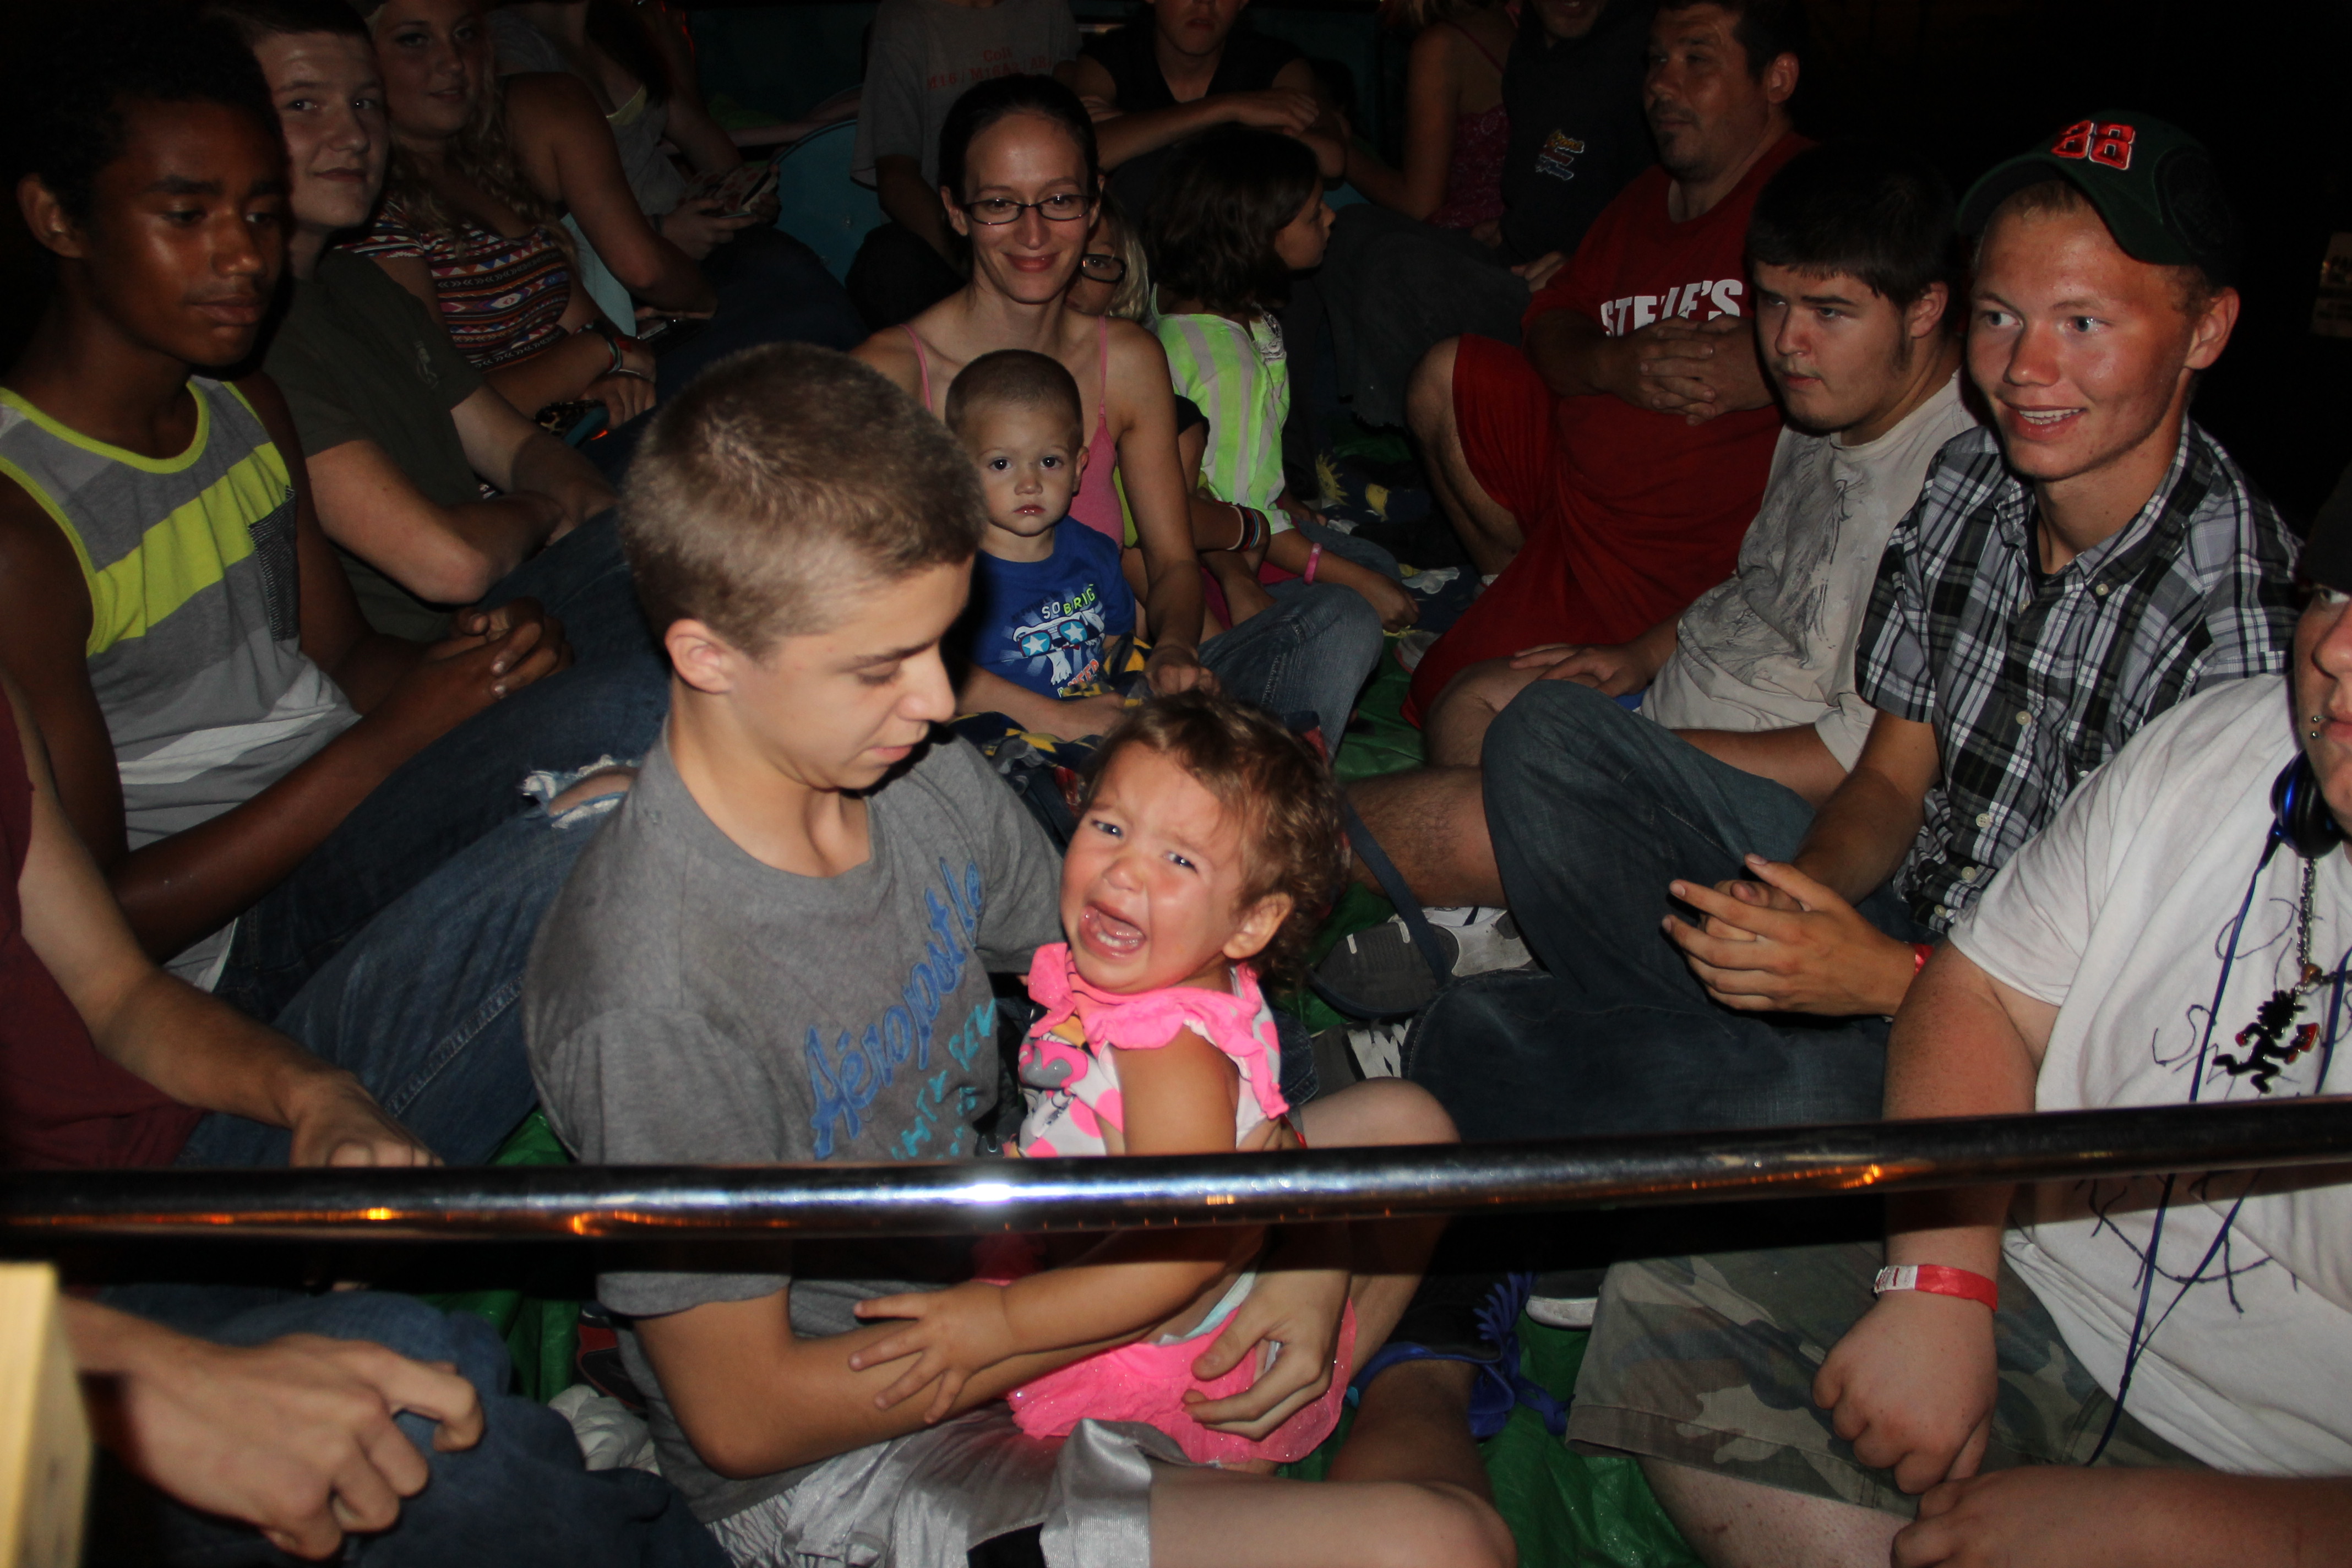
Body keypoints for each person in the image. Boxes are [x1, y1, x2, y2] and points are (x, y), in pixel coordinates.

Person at [525, 342, 1506, 1567]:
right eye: (880, 666)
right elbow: (747, 1419)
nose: (940, 702)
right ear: (707, 656)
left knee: (1412, 1128)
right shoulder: (650, 989)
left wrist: (1300, 1249)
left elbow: (1151, 997)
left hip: (1033, 1258)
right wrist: (1207, 1255)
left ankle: (1313, 1406)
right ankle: (1388, 1386)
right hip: (867, 1432)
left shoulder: (915, 778)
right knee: (1442, 1546)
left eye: (942, 643)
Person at [1403, 112, 2296, 1156]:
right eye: (2002, 316)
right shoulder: (1970, 484)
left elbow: (2169, 1021)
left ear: (2206, 330)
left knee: (1583, 1059)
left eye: (2083, 324)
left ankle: (1571, 1048)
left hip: (2025, 1027)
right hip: (1904, 904)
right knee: (1543, 733)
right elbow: (1889, 780)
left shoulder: (2242, 634)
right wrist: (1807, 900)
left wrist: (1880, 980)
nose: (2024, 368)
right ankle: (1621, 1043)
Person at [1567, 496, 2352, 1568]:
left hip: (2285, 1473)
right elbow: (1978, 989)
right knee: (1676, 1261)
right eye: (2333, 595)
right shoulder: (2229, 740)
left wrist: (2165, 1522)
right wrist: (1940, 1286)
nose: (2336, 646)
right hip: (2033, 1272)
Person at [0, 4, 666, 1164]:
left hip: (351, 798)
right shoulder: (27, 524)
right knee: (621, 762)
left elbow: (346, 657)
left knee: (656, 531)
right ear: (58, 217)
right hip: (233, 946)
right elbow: (114, 919)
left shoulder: (238, 402)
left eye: (260, 214)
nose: (243, 257)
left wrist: (479, 666)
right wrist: (404, 731)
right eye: (186, 215)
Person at [838, 692, 1494, 1565]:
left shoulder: (1167, 1047)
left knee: (1192, 1456)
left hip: (1151, 1335)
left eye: (1179, 857)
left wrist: (998, 1324)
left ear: (1253, 921)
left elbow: (1175, 1259)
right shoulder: (1179, 975)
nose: (1124, 872)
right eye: (1109, 827)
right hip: (1157, 1273)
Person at [1331, 140, 1977, 1013]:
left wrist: (1644, 756)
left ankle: (1504, 891)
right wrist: (1637, 656)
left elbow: (1862, 764)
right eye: (1773, 302)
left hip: (1779, 800)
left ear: (1926, 307)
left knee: (1387, 816)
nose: (1788, 344)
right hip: (1686, 704)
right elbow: (1757, 582)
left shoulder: (1952, 491)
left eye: (1830, 312)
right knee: (1476, 696)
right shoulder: (1826, 407)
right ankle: (1536, 914)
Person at [855, 75, 1382, 750]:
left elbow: (1172, 564)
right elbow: (862, 628)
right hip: (965, 715)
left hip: (1107, 680)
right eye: (1000, 204)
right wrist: (1052, 718)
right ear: (956, 211)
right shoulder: (892, 377)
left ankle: (1231, 781)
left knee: (1340, 619)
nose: (1034, 233)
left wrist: (1174, 648)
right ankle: (1230, 784)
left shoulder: (1126, 358)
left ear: (1094, 201)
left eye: (1060, 200)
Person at [1402, 0, 1805, 724]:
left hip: (1686, 563)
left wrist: (1766, 362)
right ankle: (1510, 587)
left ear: (1776, 78)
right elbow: (1551, 322)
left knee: (1473, 713)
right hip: (1579, 522)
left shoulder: (1819, 197)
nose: (1662, 84)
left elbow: (1900, 339)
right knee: (1449, 372)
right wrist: (1611, 363)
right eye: (1656, 60)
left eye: (1698, 60)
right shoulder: (1641, 201)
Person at [208, 0, 622, 645]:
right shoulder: (241, 335)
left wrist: (599, 523)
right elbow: (448, 563)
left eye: (365, 103)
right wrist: (545, 511)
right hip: (428, 661)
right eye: (304, 105)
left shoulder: (359, 283)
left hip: (516, 599)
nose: (352, 134)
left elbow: (516, 448)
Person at [489, 0, 866, 395]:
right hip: (621, 273)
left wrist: (742, 192)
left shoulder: (614, 27)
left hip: (688, 229)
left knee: (793, 271)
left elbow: (695, 129)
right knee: (783, 308)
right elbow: (543, 223)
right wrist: (660, 231)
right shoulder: (511, 49)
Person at [1315, 0, 1654, 432]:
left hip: (1577, 299)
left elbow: (1669, 212)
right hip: (1517, 254)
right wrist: (1514, 224)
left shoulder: (1640, 55)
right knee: (1348, 230)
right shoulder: (1532, 45)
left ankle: (1408, 439)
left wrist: (1589, 266)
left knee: (1397, 267)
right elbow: (1553, 180)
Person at [1146, 128, 1420, 631]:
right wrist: (1356, 580)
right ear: (1262, 239)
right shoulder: (1228, 367)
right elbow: (1239, 515)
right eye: (1314, 214)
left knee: (1367, 564)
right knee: (1369, 583)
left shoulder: (1193, 301)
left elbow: (1234, 465)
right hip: (1223, 553)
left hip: (1236, 519)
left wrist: (1284, 498)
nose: (1331, 217)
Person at [349, 0, 662, 428]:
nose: (453, 61)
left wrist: (607, 366)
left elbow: (599, 331)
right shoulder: (369, 211)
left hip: (580, 428)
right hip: (507, 461)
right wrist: (593, 356)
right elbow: (444, 409)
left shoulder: (488, 176)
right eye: (414, 40)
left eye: (465, 35)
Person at [844, 0, 1080, 328]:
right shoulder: (905, 19)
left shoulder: (1048, 9)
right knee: (889, 259)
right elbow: (897, 178)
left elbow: (1077, 133)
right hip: (956, 242)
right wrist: (973, 262)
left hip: (1048, 220)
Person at [948, 350, 1139, 741]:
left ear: (1078, 469)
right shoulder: (948, 573)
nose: (1030, 484)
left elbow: (1117, 642)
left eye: (1050, 462)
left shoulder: (1097, 553)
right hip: (996, 747)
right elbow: (933, 676)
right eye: (1001, 464)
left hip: (1092, 725)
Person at [1057, 0, 1344, 219]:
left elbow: (1330, 158)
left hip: (1243, 241)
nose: (1205, 3)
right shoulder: (1111, 57)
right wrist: (1229, 108)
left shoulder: (1276, 61)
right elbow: (1082, 154)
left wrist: (1143, 129)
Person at [1342, 0, 1515, 231]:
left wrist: (1340, 152)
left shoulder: (1442, 46)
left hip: (1468, 238)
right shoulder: (1509, 19)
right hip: (1515, 228)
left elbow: (1420, 205)